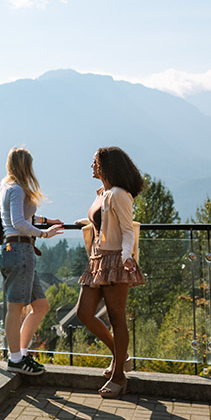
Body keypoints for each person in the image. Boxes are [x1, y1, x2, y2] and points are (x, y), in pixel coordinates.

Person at [75, 146, 146, 399]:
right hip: (96, 261)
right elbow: (103, 223)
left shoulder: (119, 194)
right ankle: (120, 356)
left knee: (117, 318)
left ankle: (119, 376)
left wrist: (127, 258)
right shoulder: (103, 193)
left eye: (96, 161)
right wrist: (83, 223)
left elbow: (128, 230)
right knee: (83, 313)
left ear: (107, 165)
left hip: (116, 260)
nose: (92, 165)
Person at [0, 147, 64, 375]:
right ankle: (15, 359)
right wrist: (45, 233)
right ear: (25, 166)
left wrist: (45, 220)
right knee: (15, 308)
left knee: (40, 306)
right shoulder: (16, 188)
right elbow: (18, 221)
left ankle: (21, 353)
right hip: (19, 249)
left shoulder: (7, 185)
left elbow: (21, 215)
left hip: (15, 249)